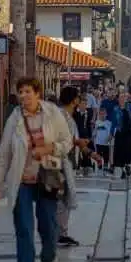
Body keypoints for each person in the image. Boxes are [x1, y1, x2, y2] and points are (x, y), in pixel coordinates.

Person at [0, 77, 72, 262]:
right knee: (24, 229)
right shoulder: (14, 119)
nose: (24, 96)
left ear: (37, 93)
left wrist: (49, 148)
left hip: (47, 178)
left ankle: (49, 257)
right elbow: (4, 154)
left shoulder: (52, 113)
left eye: (28, 91)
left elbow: (67, 142)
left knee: (48, 225)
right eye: (21, 92)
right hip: (22, 181)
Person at [57, 87, 83, 247]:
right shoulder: (62, 116)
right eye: (78, 98)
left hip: (67, 161)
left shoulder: (68, 116)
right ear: (73, 100)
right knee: (62, 197)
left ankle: (62, 232)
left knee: (64, 197)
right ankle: (59, 233)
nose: (79, 100)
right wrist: (78, 142)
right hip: (60, 161)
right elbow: (65, 139)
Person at [112, 92, 131, 179]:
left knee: (129, 150)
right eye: (120, 97)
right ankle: (122, 171)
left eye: (124, 97)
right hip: (119, 132)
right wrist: (111, 133)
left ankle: (128, 166)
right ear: (118, 99)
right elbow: (113, 122)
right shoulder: (115, 109)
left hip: (129, 132)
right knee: (120, 152)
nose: (122, 99)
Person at [93, 107, 113, 173]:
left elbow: (111, 133)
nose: (102, 115)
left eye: (103, 114)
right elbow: (95, 133)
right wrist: (94, 142)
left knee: (106, 156)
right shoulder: (97, 122)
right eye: (101, 114)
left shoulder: (109, 123)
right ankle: (99, 166)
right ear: (99, 115)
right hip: (98, 143)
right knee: (98, 156)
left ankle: (105, 167)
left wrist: (109, 139)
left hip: (106, 143)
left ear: (106, 114)